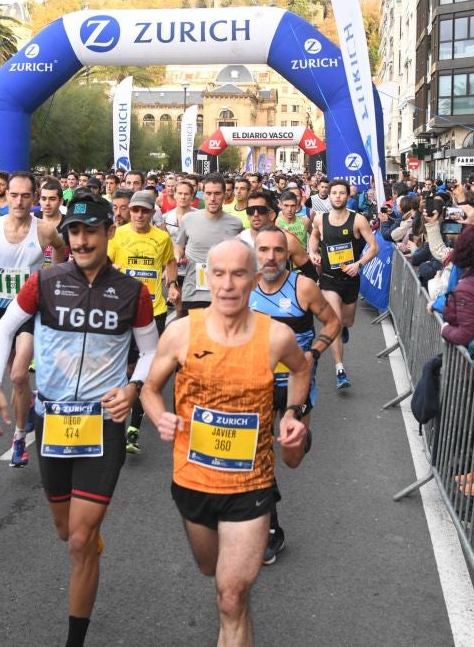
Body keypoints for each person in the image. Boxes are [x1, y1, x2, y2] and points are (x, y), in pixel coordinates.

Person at [0, 192, 157, 647]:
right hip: (53, 420)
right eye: (73, 232)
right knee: (67, 532)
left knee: (79, 540)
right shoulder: (44, 282)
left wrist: (134, 387)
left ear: (108, 233)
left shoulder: (133, 292)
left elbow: (151, 350)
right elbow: (4, 328)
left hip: (104, 423)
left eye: (89, 231)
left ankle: (74, 640)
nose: (80, 240)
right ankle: (89, 542)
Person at [140, 239, 310, 647]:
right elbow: (150, 388)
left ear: (253, 279)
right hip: (193, 480)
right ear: (207, 278)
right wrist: (158, 414)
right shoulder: (182, 332)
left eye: (238, 274)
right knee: (214, 576)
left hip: (250, 485)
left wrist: (292, 413)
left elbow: (301, 370)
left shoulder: (277, 337)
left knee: (231, 595)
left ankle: (234, 615)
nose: (228, 285)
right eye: (219, 274)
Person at [248, 226, 339, 565]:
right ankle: (272, 530)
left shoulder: (303, 287)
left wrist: (313, 354)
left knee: (291, 458)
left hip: (296, 381)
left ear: (287, 254)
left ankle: (302, 435)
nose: (270, 257)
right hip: (256, 383)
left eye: (277, 250)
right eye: (264, 250)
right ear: (255, 253)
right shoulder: (245, 287)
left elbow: (332, 323)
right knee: (256, 457)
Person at [0, 172, 63, 466]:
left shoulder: (43, 230)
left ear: (33, 198)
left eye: (24, 196)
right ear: (4, 195)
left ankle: (19, 439)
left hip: (28, 308)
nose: (18, 201)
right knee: (12, 377)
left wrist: (51, 278)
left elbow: (59, 248)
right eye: (13, 195)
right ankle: (28, 400)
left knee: (18, 374)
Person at [107, 188, 176, 453]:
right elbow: (106, 262)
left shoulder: (161, 237)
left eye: (144, 211)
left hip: (153, 310)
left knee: (143, 371)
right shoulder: (118, 235)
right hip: (122, 310)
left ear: (151, 213)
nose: (138, 215)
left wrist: (172, 284)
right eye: (134, 210)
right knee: (125, 369)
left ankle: (133, 428)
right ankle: (122, 412)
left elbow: (170, 262)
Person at [307, 178, 380, 389]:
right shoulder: (320, 218)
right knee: (335, 324)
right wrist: (313, 253)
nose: (337, 196)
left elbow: (374, 248)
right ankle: (340, 369)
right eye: (334, 193)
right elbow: (314, 237)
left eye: (341, 193)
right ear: (328, 196)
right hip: (329, 280)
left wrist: (358, 264)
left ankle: (344, 327)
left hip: (350, 280)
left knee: (347, 322)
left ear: (348, 196)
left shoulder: (358, 220)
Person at [174, 175, 245, 315]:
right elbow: (179, 245)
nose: (213, 198)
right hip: (193, 292)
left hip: (224, 293)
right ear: (202, 193)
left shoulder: (236, 223)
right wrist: (177, 257)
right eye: (208, 193)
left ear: (225, 195)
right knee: (195, 335)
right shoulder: (188, 219)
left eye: (217, 193)